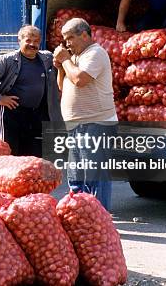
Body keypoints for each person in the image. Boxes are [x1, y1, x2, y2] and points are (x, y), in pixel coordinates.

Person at [53, 18, 117, 210]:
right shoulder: (74, 57)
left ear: (84, 35)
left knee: (94, 174)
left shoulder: (95, 53)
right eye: (65, 39)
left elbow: (80, 80)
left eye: (70, 38)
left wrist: (64, 60)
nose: (67, 43)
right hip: (77, 125)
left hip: (96, 123)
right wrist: (60, 68)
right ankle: (82, 215)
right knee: (76, 172)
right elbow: (62, 86)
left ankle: (99, 215)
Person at [0, 25, 63, 157]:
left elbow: (61, 65)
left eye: (36, 41)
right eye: (28, 40)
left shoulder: (46, 59)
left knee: (33, 154)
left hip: (36, 115)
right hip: (12, 114)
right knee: (9, 152)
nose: (32, 44)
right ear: (20, 40)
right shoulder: (8, 60)